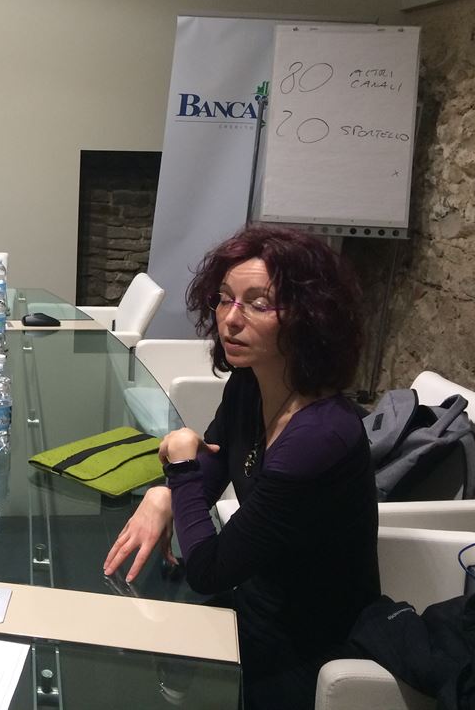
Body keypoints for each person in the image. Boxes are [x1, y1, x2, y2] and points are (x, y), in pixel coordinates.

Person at [103, 225, 379, 710]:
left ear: (310, 316)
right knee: (120, 651)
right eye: (225, 299)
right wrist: (165, 492)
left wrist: (180, 469)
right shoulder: (248, 386)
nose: (230, 319)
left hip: (310, 647)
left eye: (258, 304)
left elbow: (208, 570)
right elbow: (210, 475)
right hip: (253, 605)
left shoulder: (320, 435)